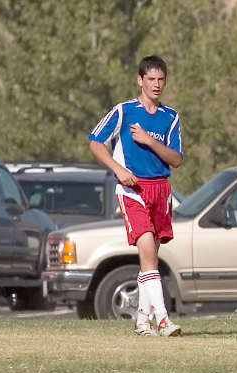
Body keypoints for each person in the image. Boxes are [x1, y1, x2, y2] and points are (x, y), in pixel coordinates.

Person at [88, 55, 183, 337]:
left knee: (150, 258)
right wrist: (118, 169)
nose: (156, 84)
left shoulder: (170, 117)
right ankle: (163, 320)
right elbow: (95, 142)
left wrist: (149, 140)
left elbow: (176, 159)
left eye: (161, 79)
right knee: (148, 253)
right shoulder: (123, 111)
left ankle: (142, 321)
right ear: (140, 80)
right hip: (133, 190)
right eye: (151, 79)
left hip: (160, 190)